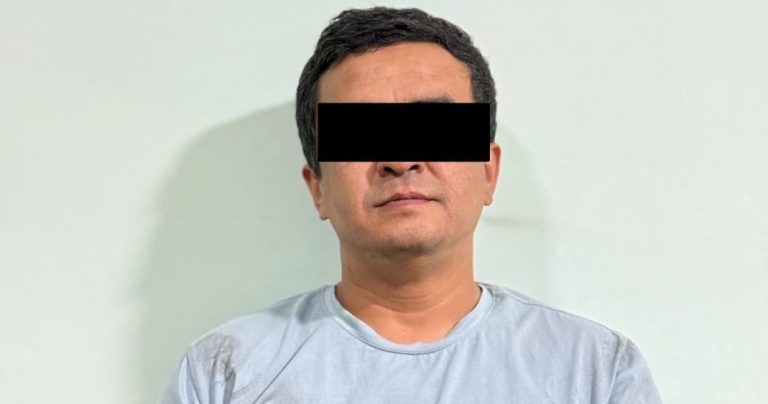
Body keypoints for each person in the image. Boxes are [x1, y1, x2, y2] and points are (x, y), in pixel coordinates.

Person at [160, 7, 662, 403]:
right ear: (317, 188)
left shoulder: (595, 372)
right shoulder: (224, 374)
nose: (401, 159)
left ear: (488, 171)